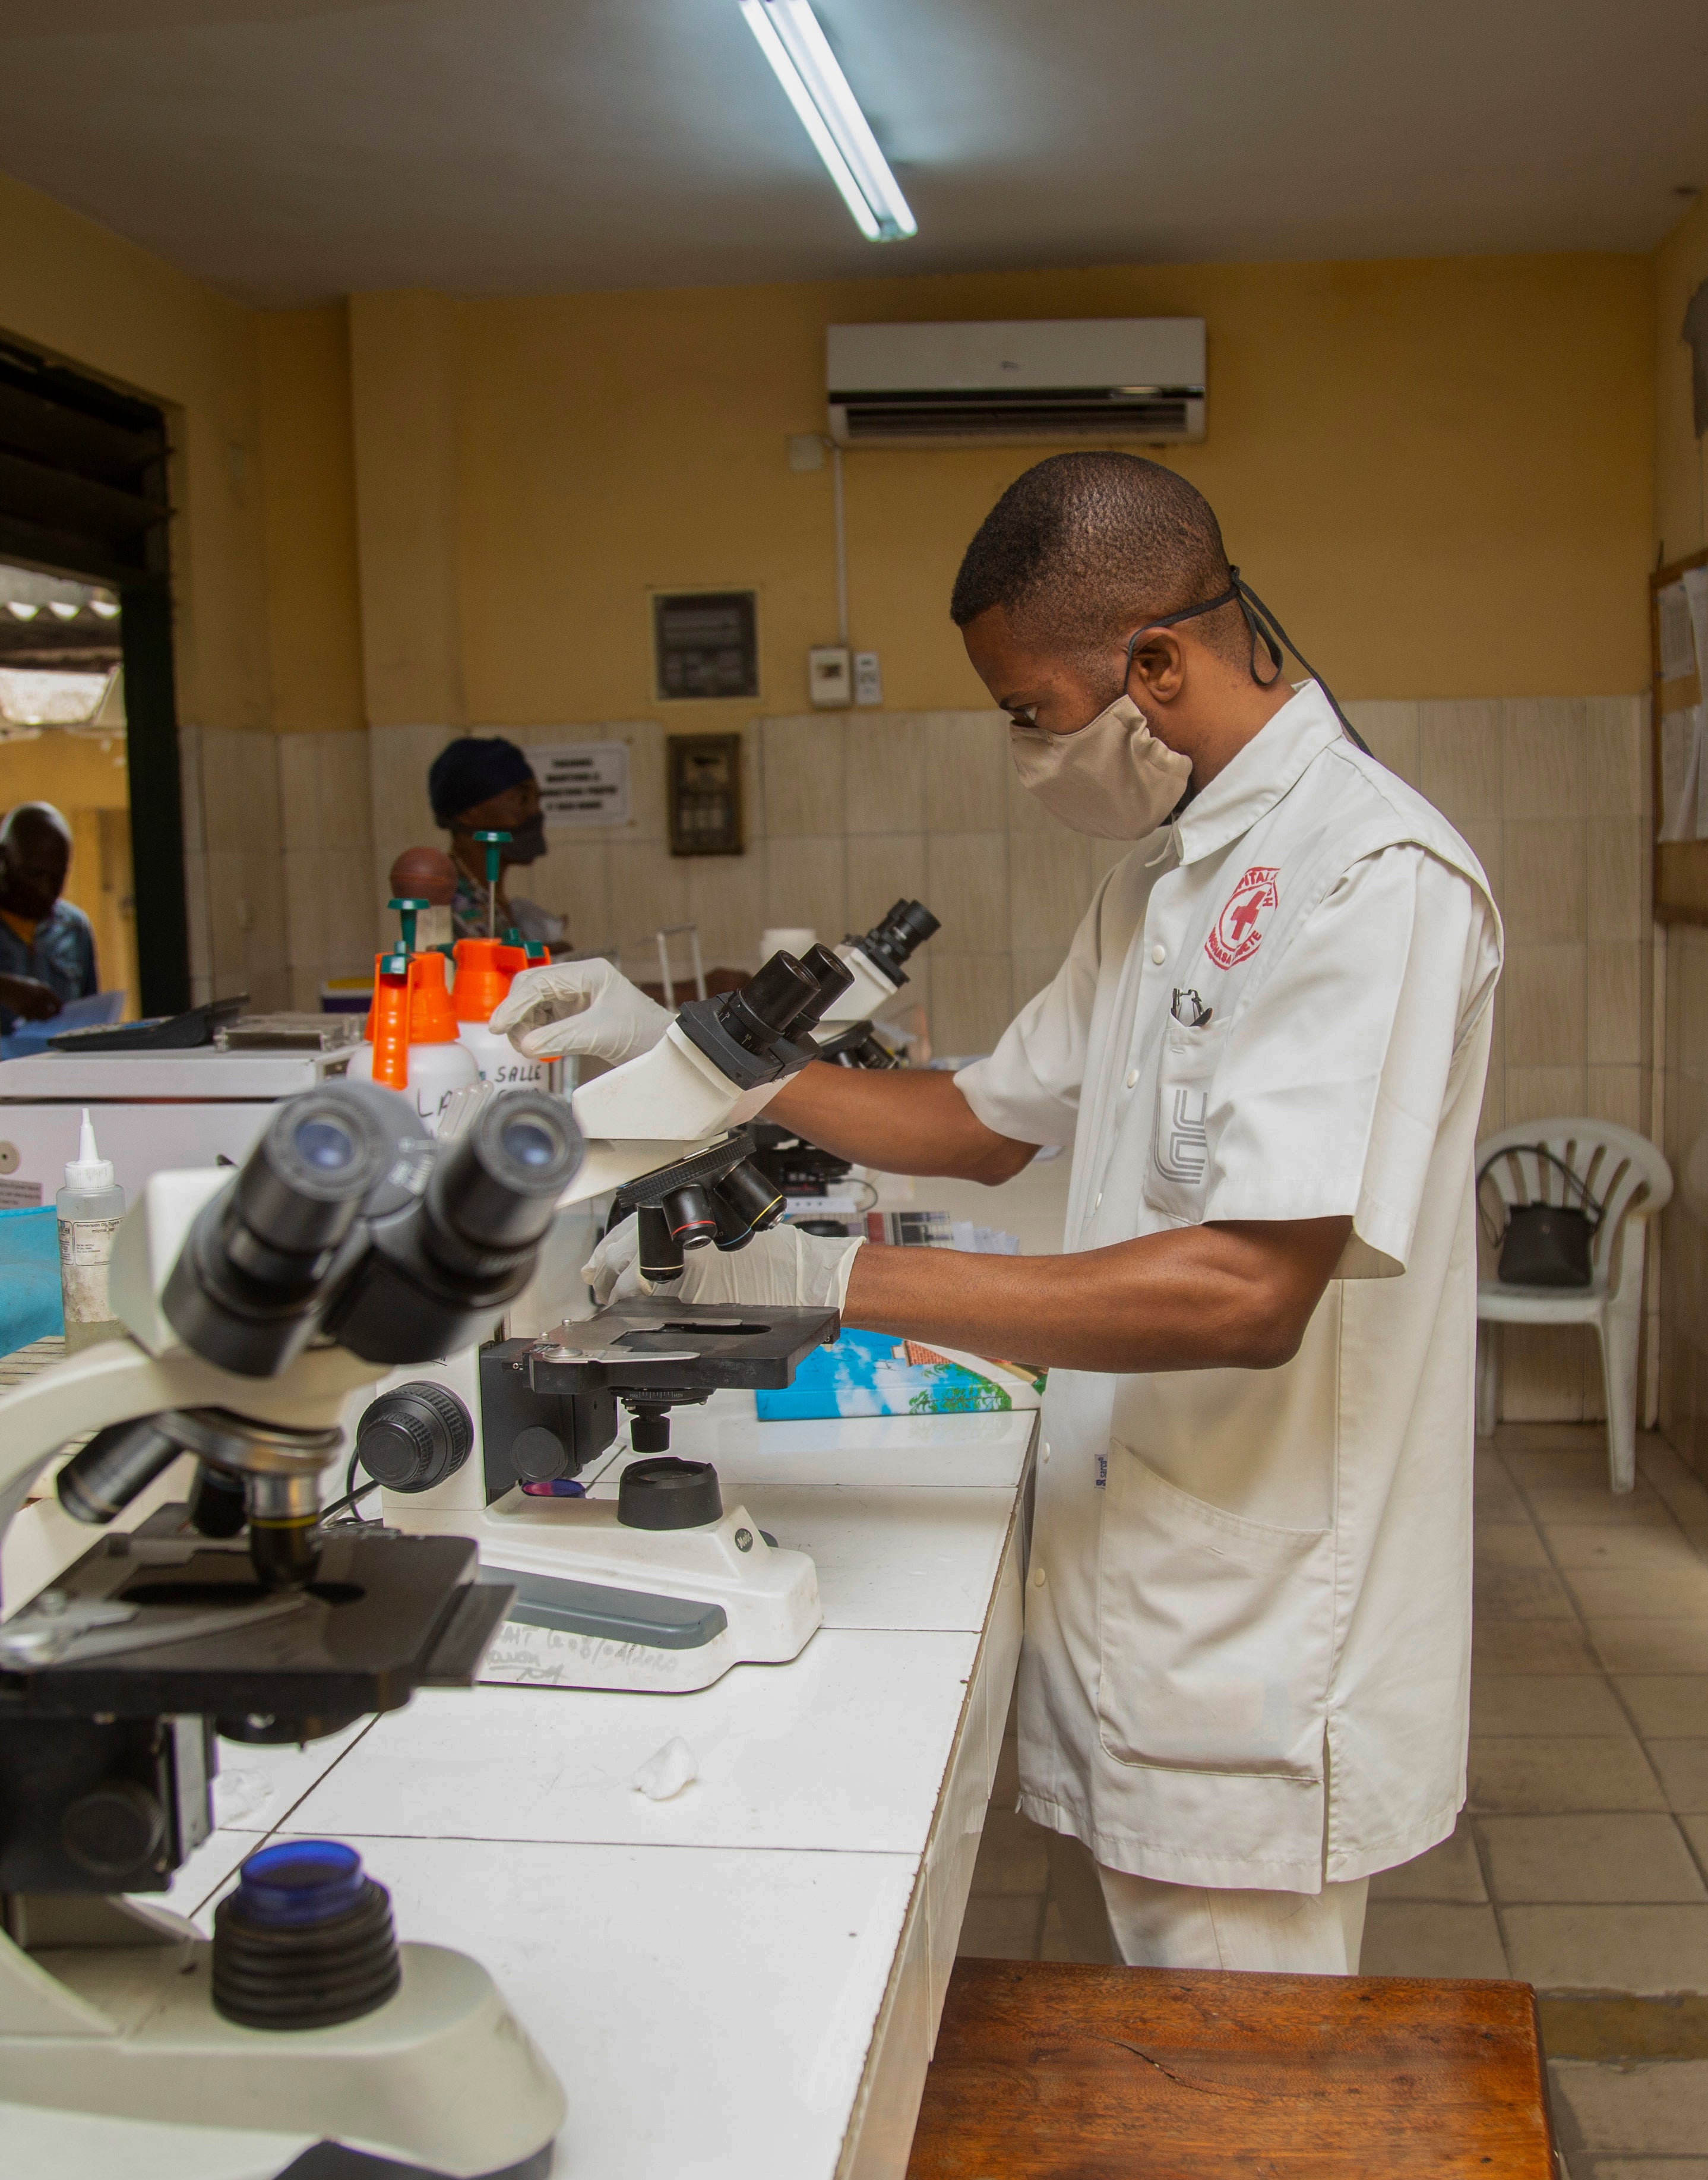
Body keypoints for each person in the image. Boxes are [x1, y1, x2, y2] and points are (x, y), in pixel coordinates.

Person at [537, 453, 1499, 1974]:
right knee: (1129, 2079)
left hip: (1255, 1632)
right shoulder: (1162, 878)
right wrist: (689, 1059)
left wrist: (828, 1279)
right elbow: (979, 1123)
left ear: (1154, 665)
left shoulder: (1365, 876)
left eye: (1026, 711)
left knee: (1236, 2117)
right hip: (1130, 1585)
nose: (1024, 748)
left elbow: (1245, 1291)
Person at [408, 737, 569, 947]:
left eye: (537, 800)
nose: (535, 812)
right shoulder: (445, 898)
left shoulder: (491, 896)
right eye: (521, 799)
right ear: (468, 813)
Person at [0, 801, 98, 1032]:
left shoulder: (75, 928)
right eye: (34, 875)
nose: (45, 890)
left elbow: (90, 1018)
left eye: (57, 878)